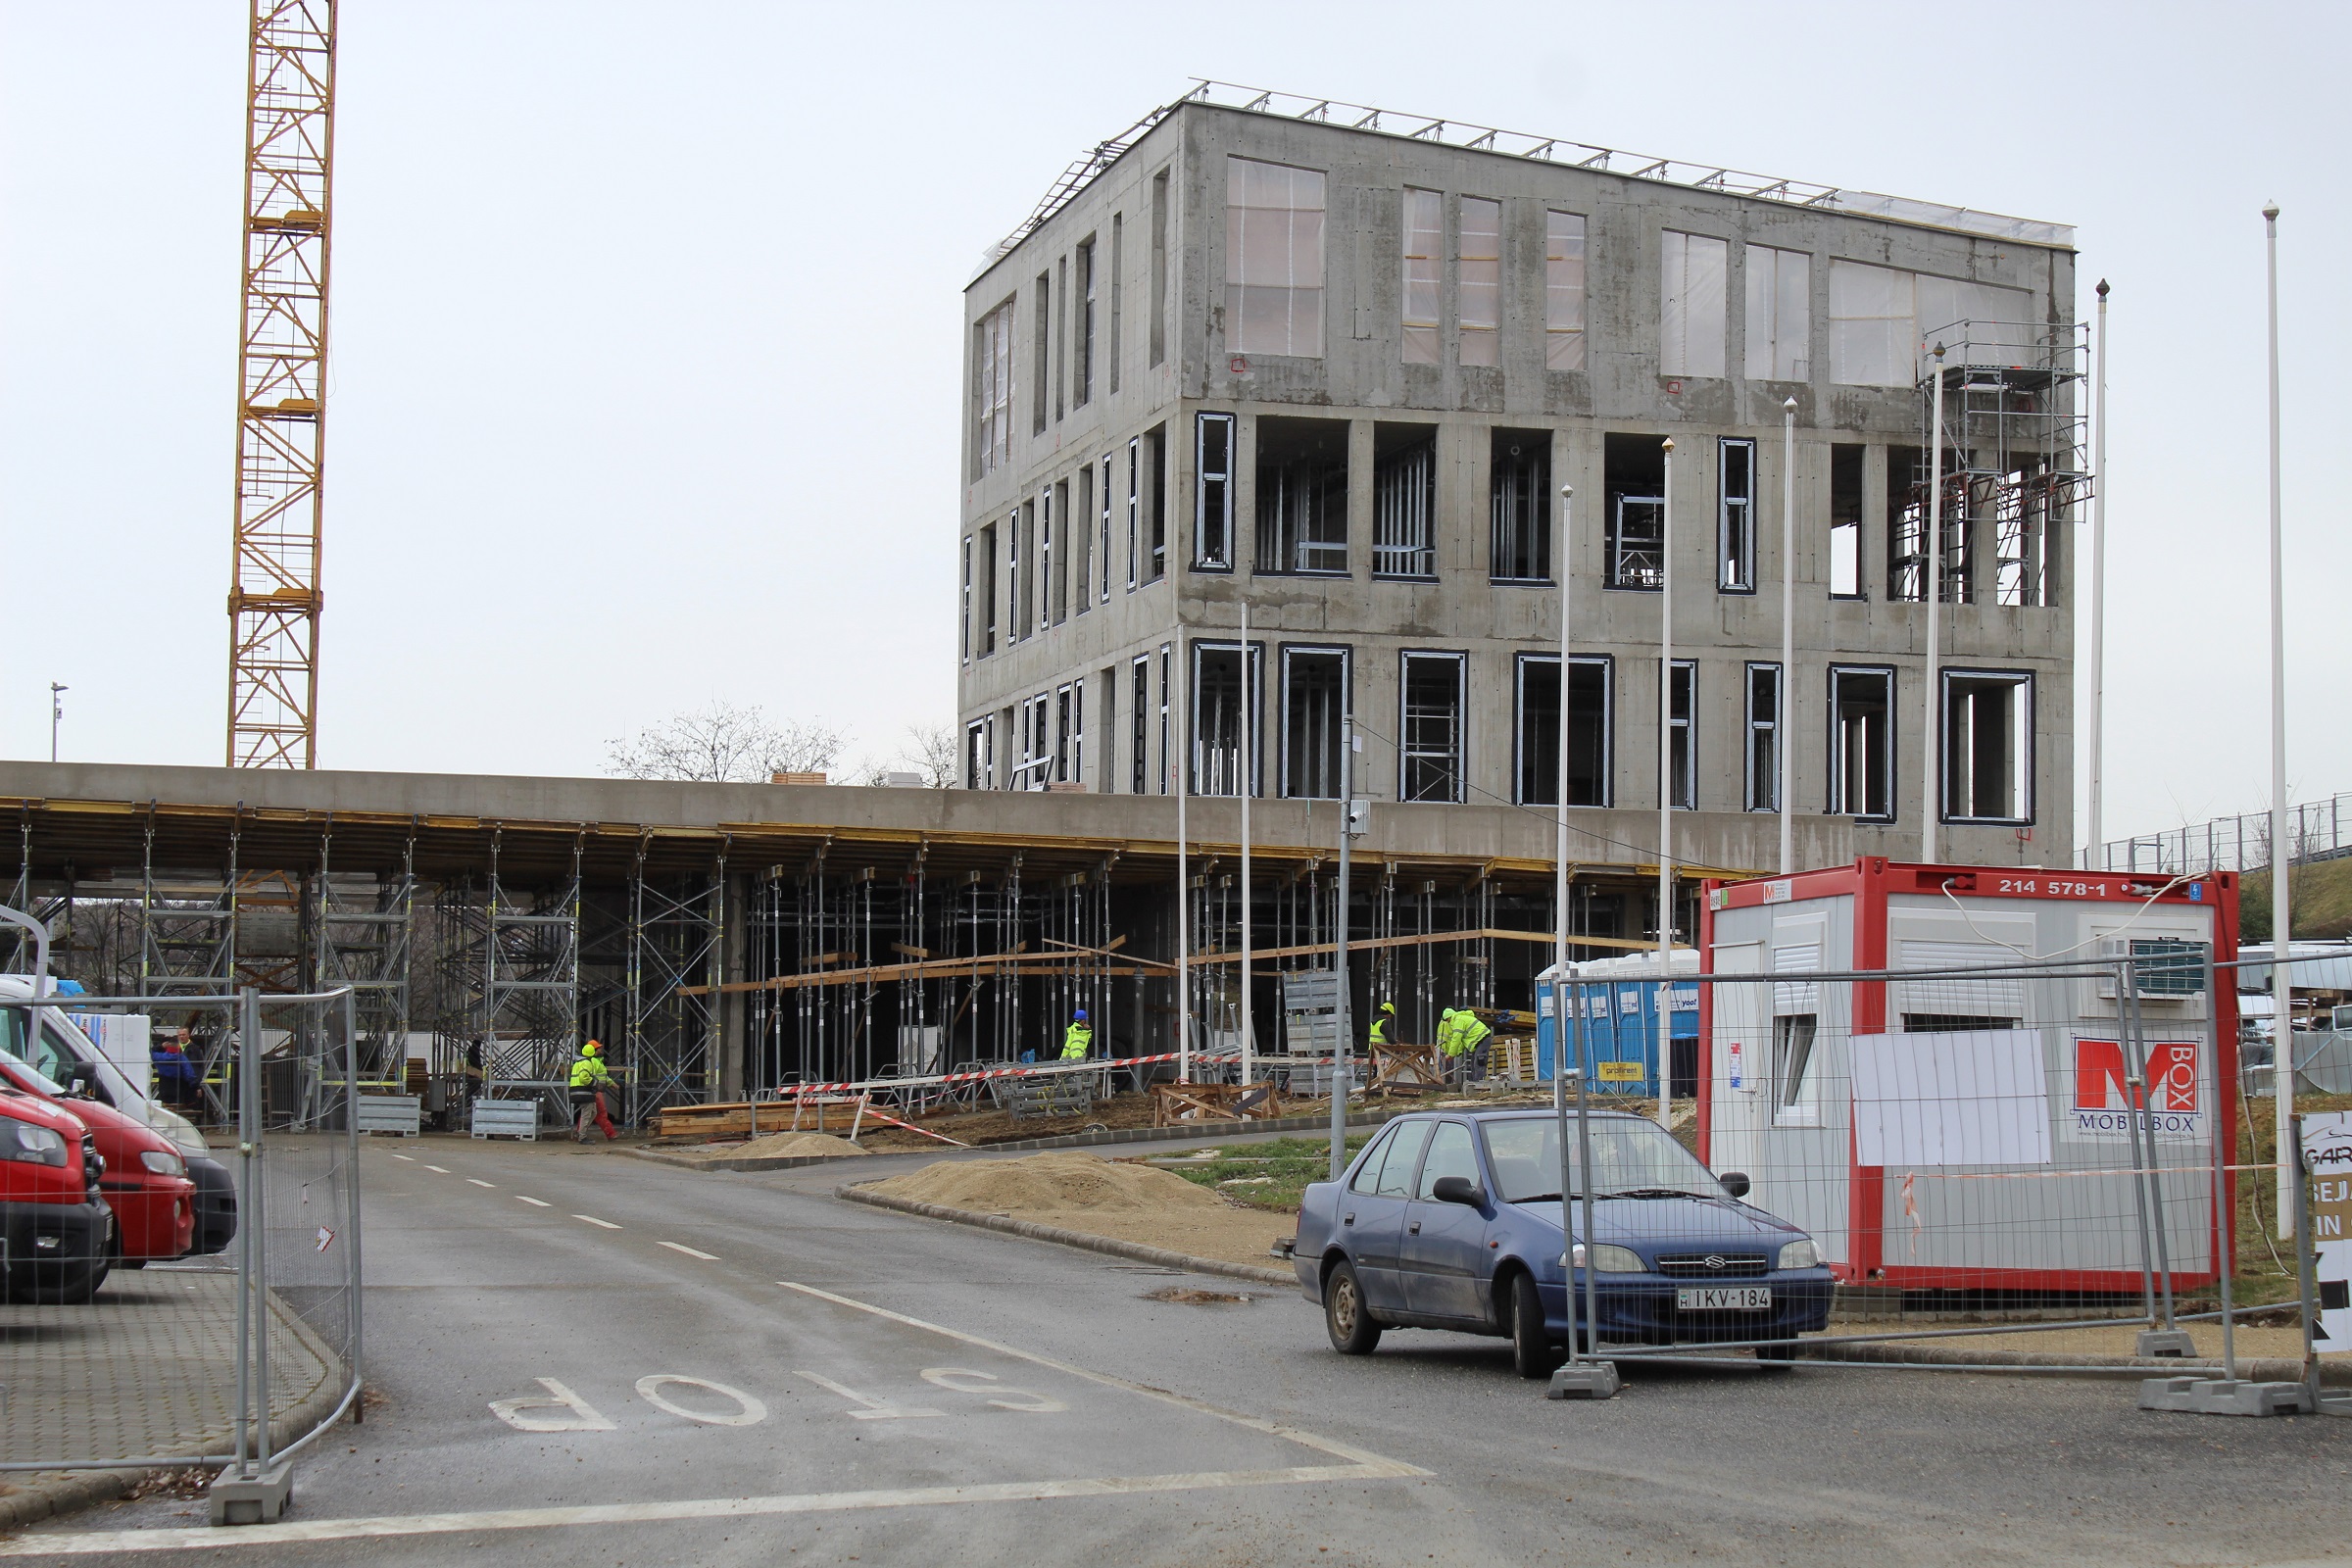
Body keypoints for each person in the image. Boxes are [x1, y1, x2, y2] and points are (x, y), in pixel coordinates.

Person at [567, 1039, 621, 1143]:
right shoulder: (590, 1062)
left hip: (590, 1090)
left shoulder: (590, 1061)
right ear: (594, 1050)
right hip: (591, 1090)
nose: (601, 1049)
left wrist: (610, 1084)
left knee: (590, 1112)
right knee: (597, 1112)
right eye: (599, 1048)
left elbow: (602, 1076)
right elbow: (585, 1077)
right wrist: (595, 1084)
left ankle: (580, 1133)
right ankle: (607, 1134)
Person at [152, 1027, 202, 1110]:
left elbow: (151, 1052)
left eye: (184, 1034)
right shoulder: (181, 1058)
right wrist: (196, 1086)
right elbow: (189, 1074)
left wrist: (160, 1047)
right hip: (179, 1087)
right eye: (180, 1035)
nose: (182, 1036)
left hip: (164, 1087)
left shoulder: (160, 1057)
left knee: (166, 1108)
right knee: (178, 1109)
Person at [1440, 1006, 1493, 1085]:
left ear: (1449, 1018)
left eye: (1448, 1021)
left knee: (1479, 1062)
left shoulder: (1458, 1020)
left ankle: (1480, 1085)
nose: (1448, 1023)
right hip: (1480, 1041)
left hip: (1482, 1040)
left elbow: (1456, 1039)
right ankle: (1476, 1084)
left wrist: (1451, 1054)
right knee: (1473, 1064)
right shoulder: (1460, 1019)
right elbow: (1462, 1041)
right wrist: (1457, 1053)